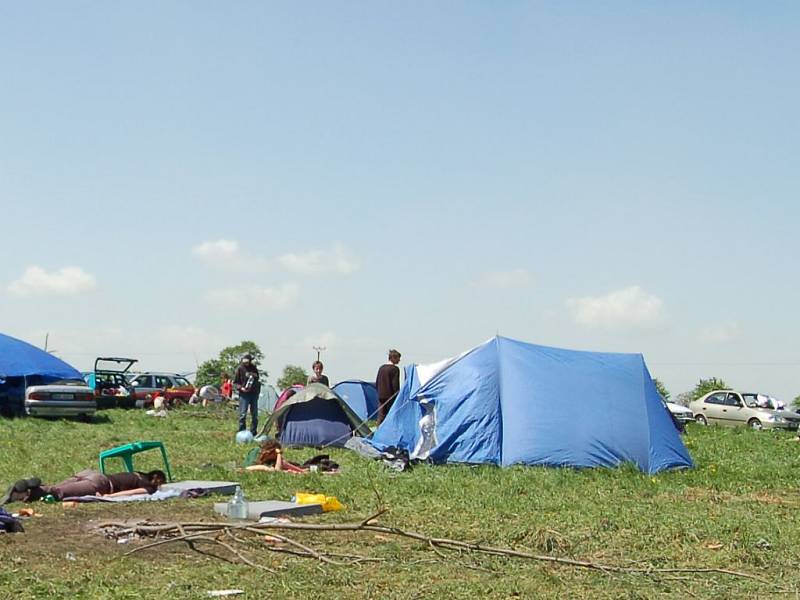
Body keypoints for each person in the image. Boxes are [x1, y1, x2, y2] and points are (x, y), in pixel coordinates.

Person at [2, 469, 167, 504]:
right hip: (100, 484)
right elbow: (133, 493)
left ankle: (27, 488)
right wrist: (110, 497)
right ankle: (21, 494)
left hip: (92, 473)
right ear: (157, 478)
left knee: (56, 487)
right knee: (58, 492)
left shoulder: (136, 473)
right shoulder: (149, 486)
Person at [234, 354, 261, 436]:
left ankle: (253, 432)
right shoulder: (240, 368)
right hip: (244, 394)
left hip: (254, 393)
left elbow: (257, 378)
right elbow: (235, 383)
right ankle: (242, 431)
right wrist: (241, 388)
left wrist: (254, 375)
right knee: (243, 414)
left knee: (255, 414)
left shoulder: (253, 368)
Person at [375, 349, 401, 425]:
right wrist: (397, 395)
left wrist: (379, 392)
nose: (399, 360)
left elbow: (377, 382)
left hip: (381, 395)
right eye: (398, 358)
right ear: (394, 358)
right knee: (391, 415)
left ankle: (379, 431)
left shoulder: (381, 368)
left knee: (381, 415)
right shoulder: (395, 369)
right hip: (390, 396)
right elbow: (395, 385)